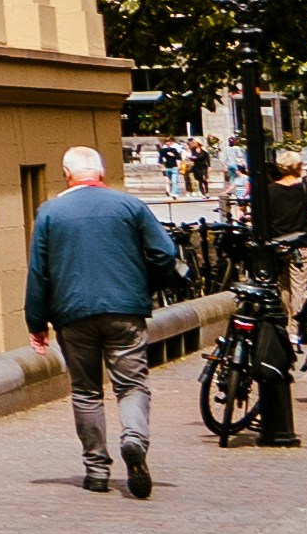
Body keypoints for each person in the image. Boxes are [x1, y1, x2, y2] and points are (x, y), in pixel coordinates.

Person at [24, 142, 191, 497]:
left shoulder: (49, 213)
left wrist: (36, 323)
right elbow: (164, 253)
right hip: (125, 310)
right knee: (132, 385)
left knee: (86, 392)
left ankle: (97, 470)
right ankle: (134, 439)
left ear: (67, 175)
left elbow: (39, 272)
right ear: (101, 172)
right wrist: (143, 286)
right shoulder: (130, 205)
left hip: (73, 314)